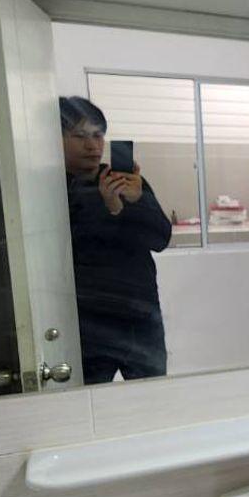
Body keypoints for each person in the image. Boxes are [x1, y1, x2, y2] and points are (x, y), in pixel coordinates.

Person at [60, 95, 172, 382]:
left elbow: (160, 238)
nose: (93, 145)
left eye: (98, 135)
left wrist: (137, 201)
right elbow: (73, 244)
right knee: (90, 401)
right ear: (57, 138)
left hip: (140, 315)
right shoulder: (53, 186)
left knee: (151, 399)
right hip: (89, 322)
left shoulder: (128, 182)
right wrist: (112, 210)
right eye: (79, 136)